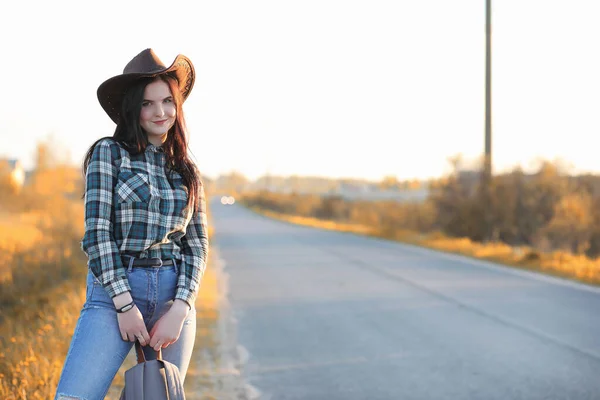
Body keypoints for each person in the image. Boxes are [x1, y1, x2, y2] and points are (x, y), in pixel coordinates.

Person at [54, 48, 209, 400]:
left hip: (174, 296)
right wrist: (125, 305)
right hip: (114, 294)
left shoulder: (187, 169)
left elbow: (197, 244)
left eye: (167, 101)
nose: (160, 112)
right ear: (131, 108)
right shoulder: (109, 153)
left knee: (155, 395)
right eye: (147, 103)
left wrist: (181, 308)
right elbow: (97, 236)